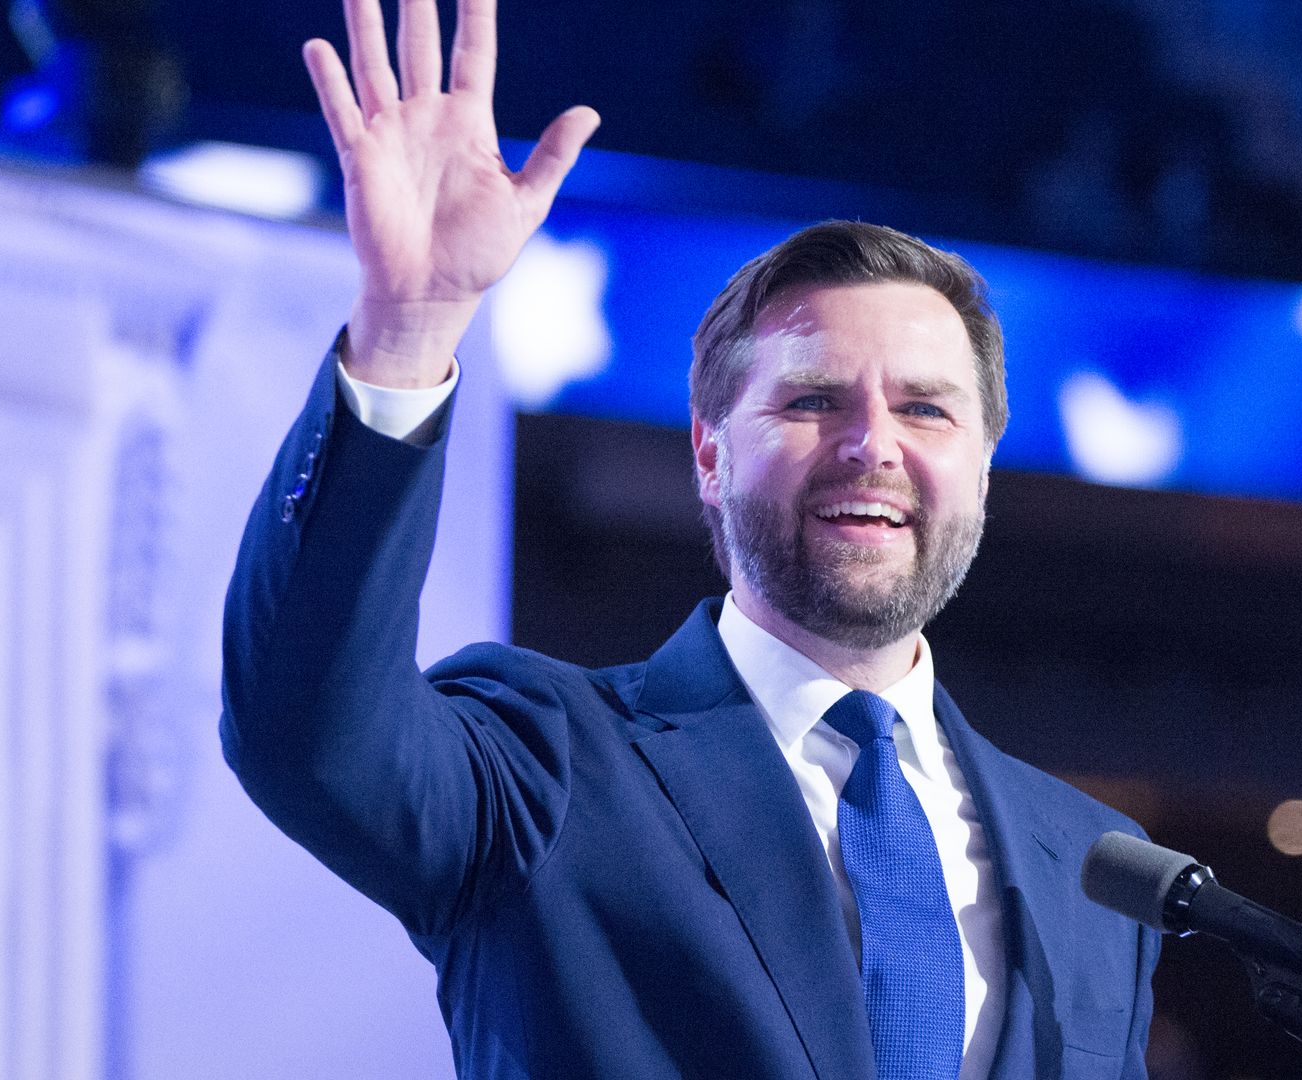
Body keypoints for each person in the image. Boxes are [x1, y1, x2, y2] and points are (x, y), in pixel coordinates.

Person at [219, 0, 1160, 1076]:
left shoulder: (1092, 867)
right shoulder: (546, 763)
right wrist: (406, 331)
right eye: (812, 401)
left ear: (983, 467)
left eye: (926, 409)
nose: (872, 445)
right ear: (709, 456)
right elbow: (304, 735)